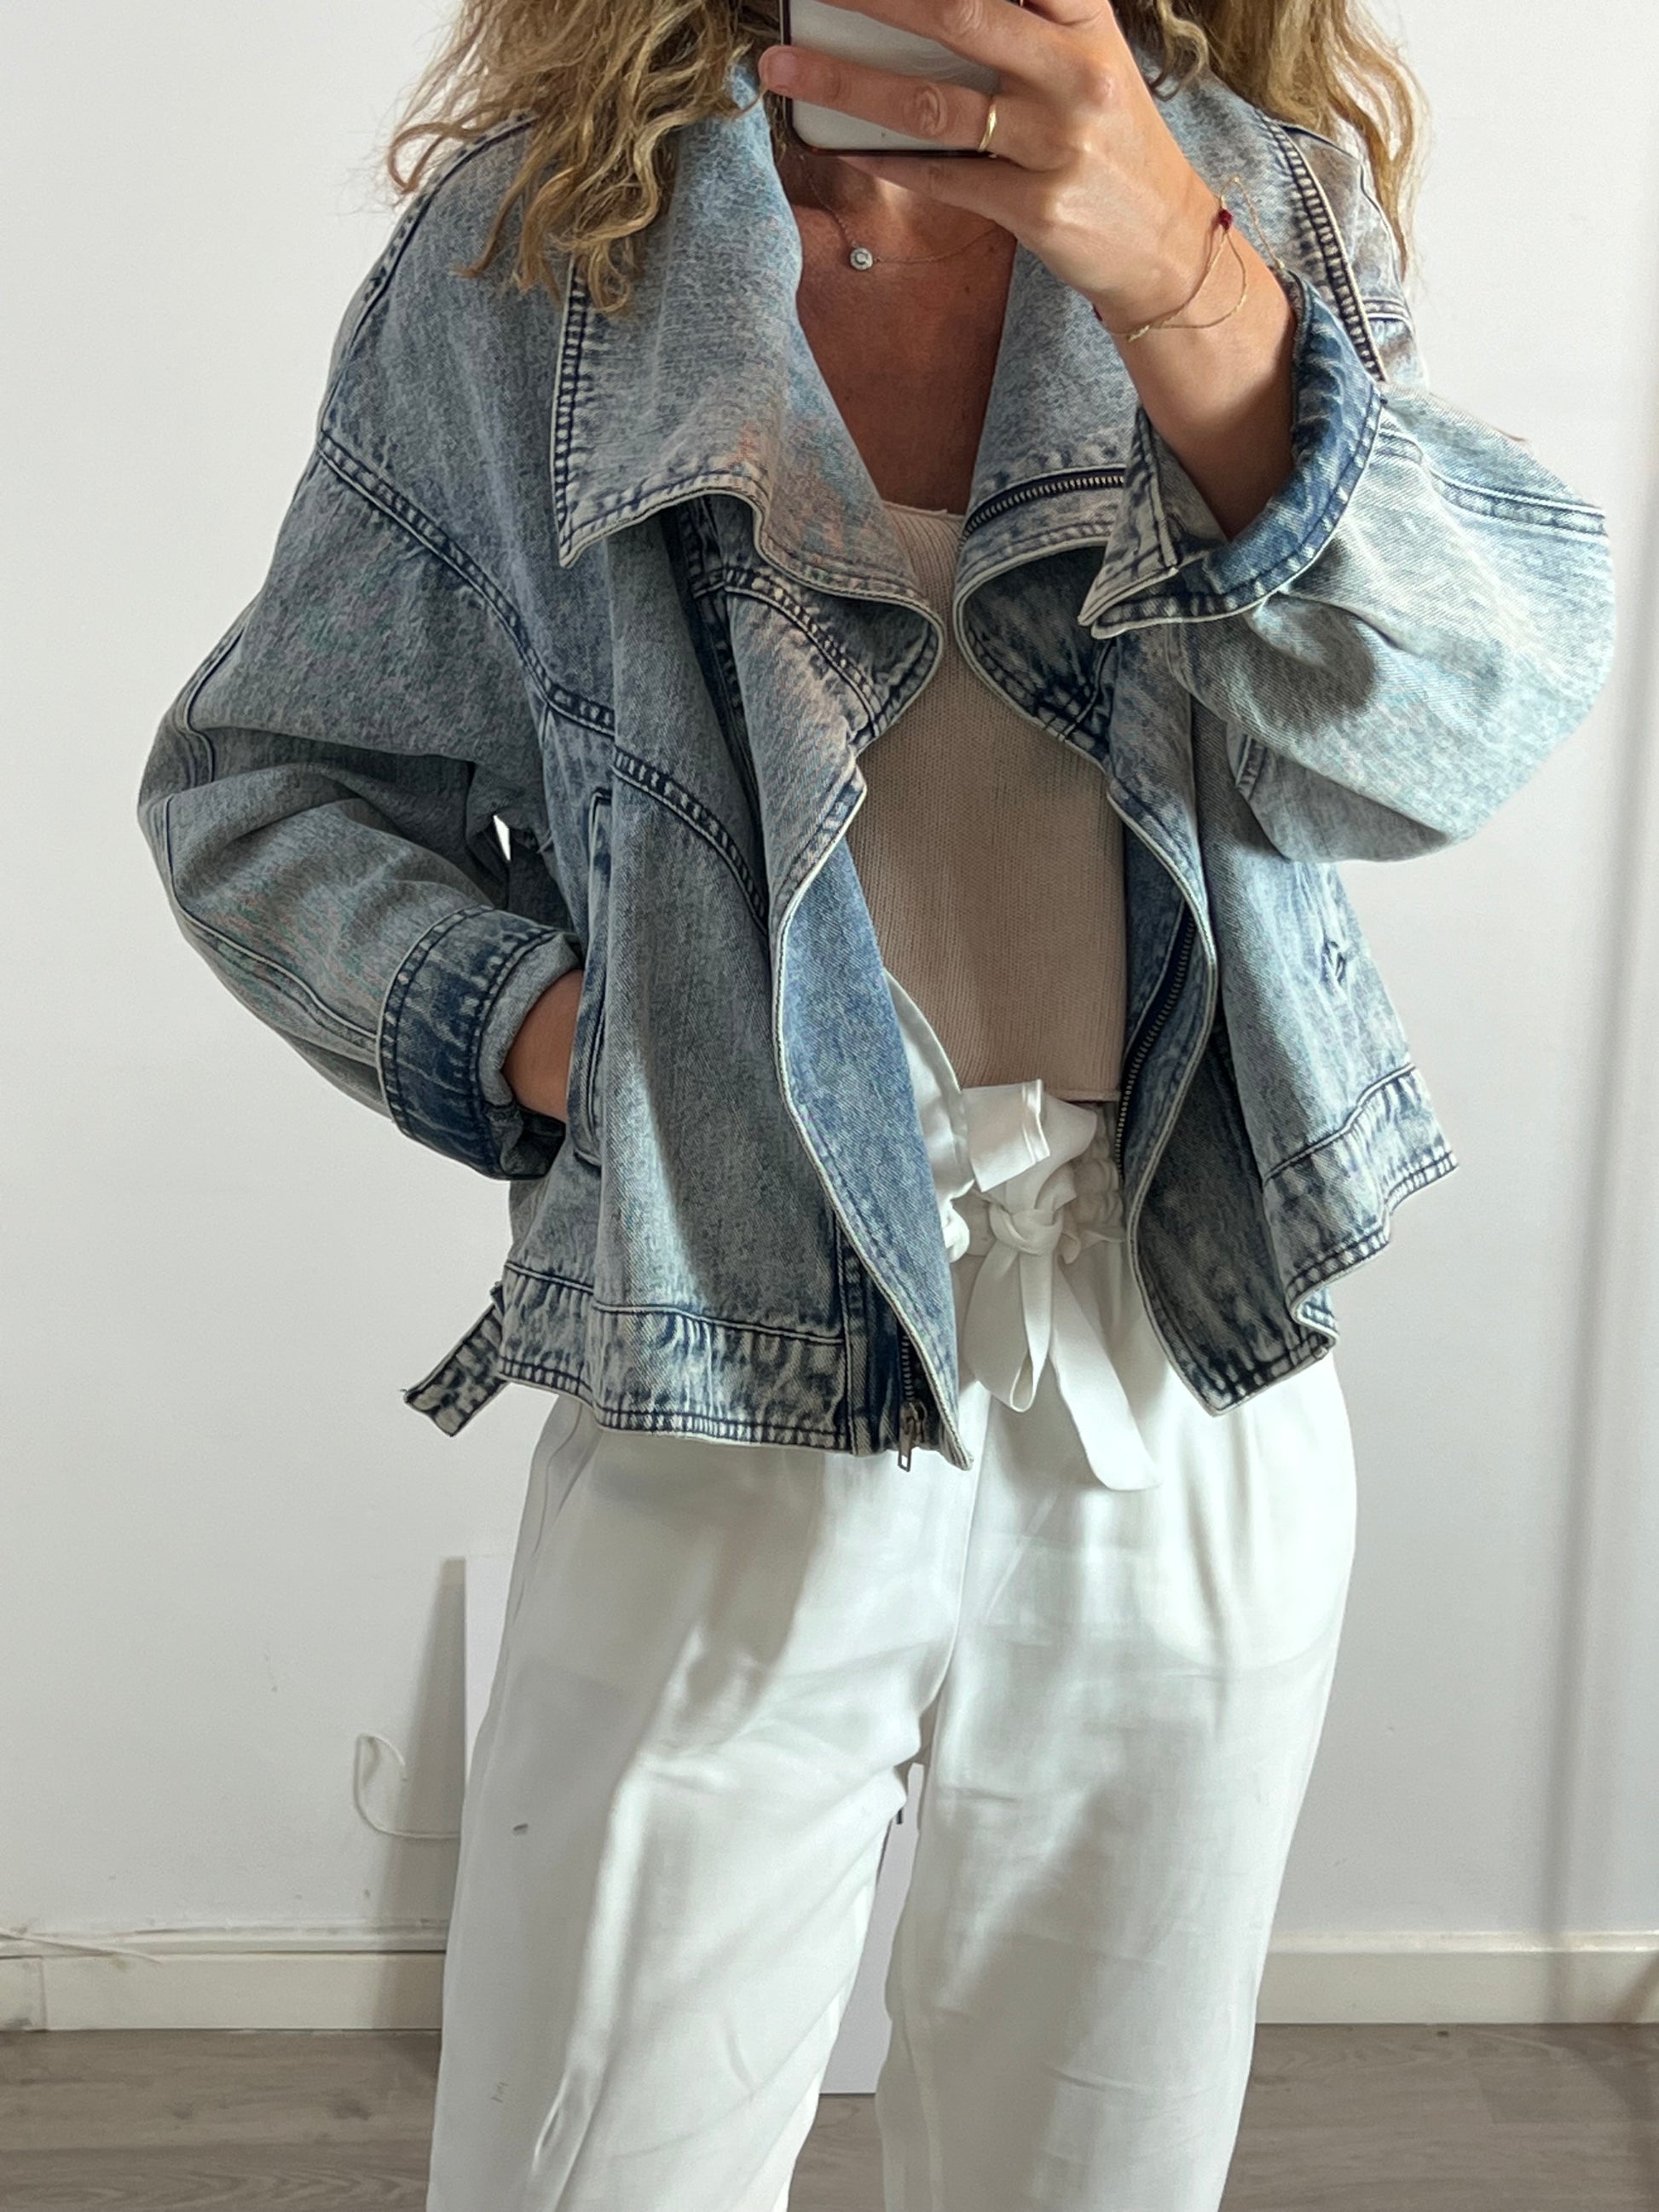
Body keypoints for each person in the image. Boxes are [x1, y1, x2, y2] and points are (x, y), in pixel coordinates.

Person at [135, 0, 1616, 2205]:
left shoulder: (1242, 201)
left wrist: (1176, 274)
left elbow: (1453, 727)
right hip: (721, 1357)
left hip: (1173, 1372)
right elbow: (268, 787)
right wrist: (561, 1038)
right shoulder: (542, 252)